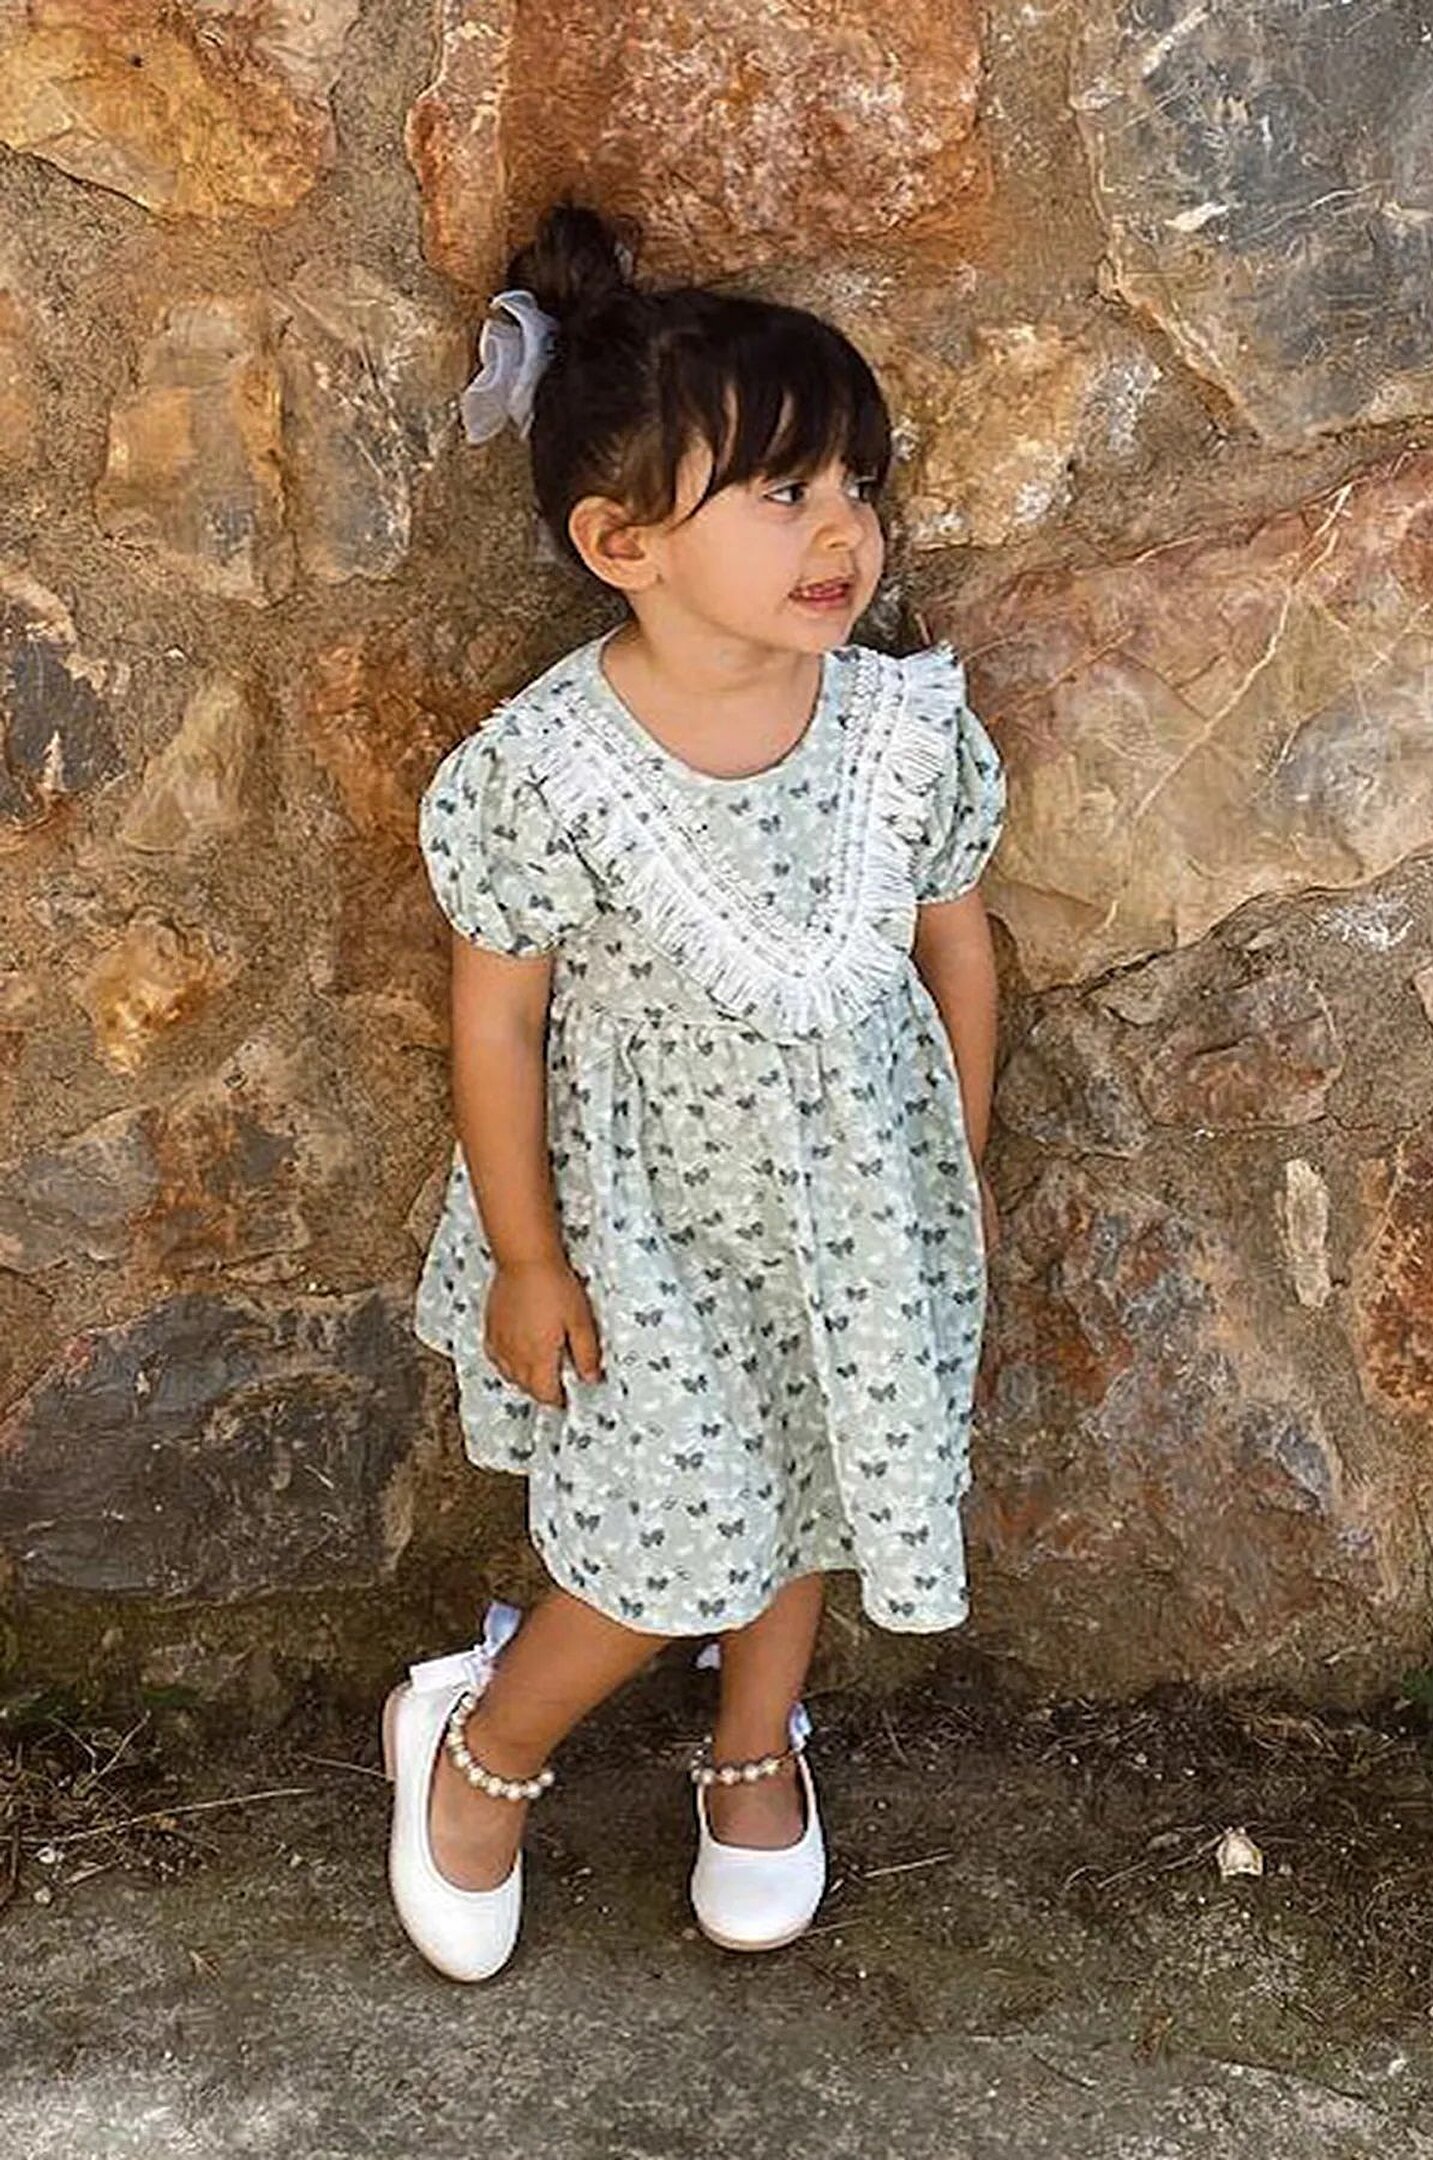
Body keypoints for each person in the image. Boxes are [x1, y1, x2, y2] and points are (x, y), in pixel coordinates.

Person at [383, 204, 1007, 1983]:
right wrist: (527, 1257)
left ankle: (753, 1750)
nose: (842, 531)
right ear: (623, 542)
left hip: (854, 1213)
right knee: (664, 1529)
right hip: (643, 1230)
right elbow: (497, 1025)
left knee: (812, 1468)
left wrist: (951, 1159)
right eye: (783, 493)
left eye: (857, 485)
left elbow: (955, 948)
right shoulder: (548, 770)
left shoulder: (899, 731)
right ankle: (482, 1742)